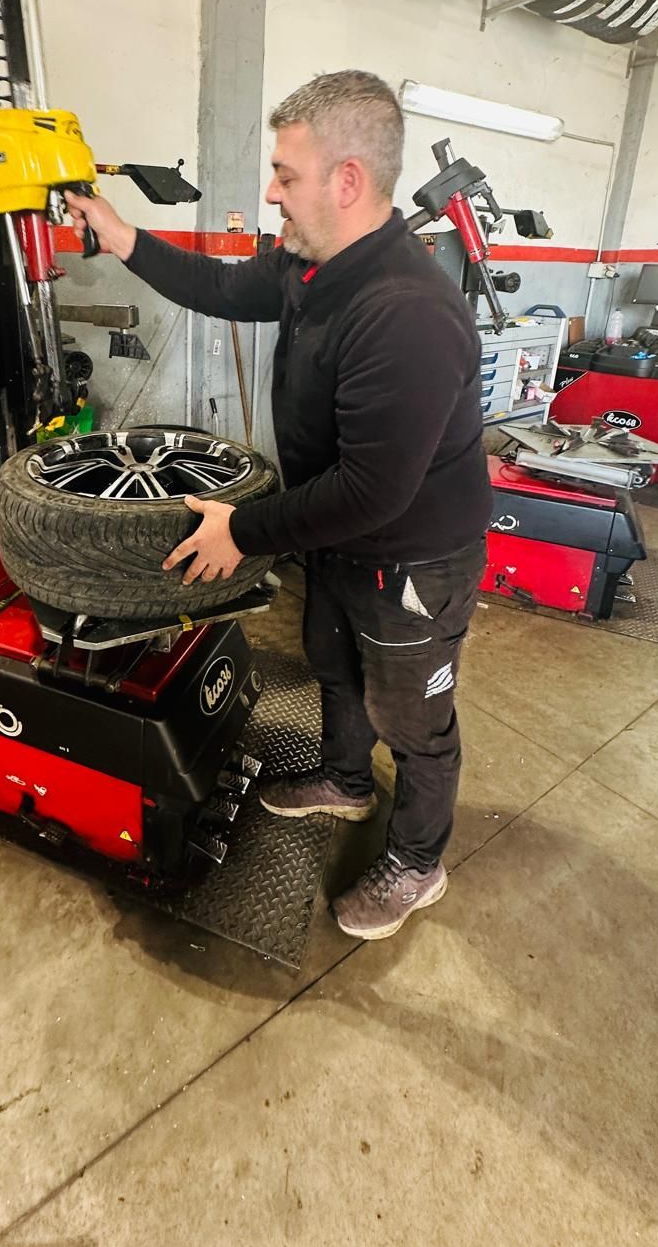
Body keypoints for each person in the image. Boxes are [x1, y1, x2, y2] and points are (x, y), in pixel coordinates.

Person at [65, 71, 491, 941]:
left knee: (414, 718)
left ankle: (418, 860)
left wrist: (243, 530)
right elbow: (223, 290)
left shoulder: (405, 311)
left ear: (346, 181)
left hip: (413, 557)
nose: (270, 191)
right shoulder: (314, 266)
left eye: (286, 175)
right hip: (338, 534)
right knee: (332, 662)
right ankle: (343, 779)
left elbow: (376, 489)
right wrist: (121, 237)